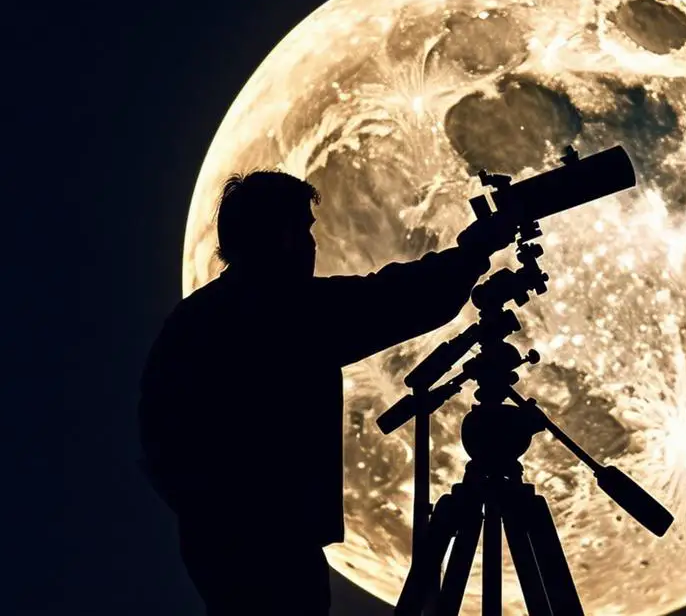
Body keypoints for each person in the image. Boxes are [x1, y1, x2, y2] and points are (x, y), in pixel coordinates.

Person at [137, 170, 515, 615]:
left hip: (220, 548)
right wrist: (471, 256)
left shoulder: (192, 321)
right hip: (274, 549)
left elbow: (157, 442)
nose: (311, 243)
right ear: (275, 237)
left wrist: (207, 514)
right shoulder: (283, 312)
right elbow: (389, 301)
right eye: (302, 229)